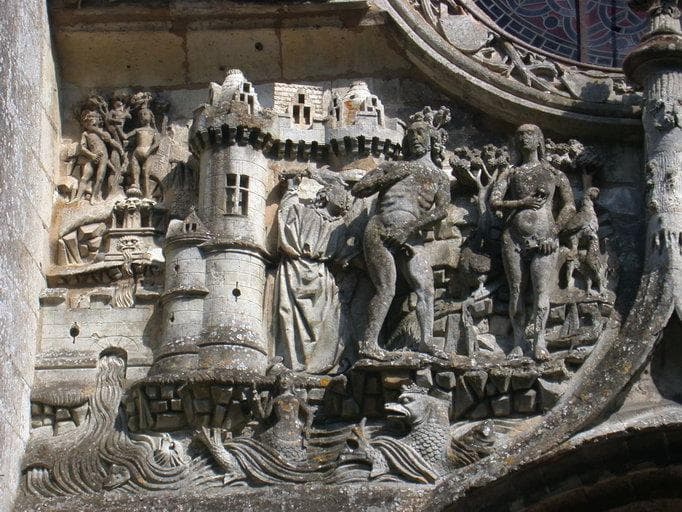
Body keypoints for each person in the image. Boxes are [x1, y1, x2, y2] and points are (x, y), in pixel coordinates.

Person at [351, 107, 451, 360]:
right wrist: (387, 176)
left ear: (432, 140)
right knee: (387, 288)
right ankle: (369, 344)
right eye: (411, 134)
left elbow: (442, 211)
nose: (415, 138)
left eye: (421, 133)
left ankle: (426, 341)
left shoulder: (439, 177)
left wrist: (409, 229)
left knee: (426, 288)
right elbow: (359, 189)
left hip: (411, 235)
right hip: (381, 230)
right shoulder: (395, 166)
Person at [490, 124, 575, 360]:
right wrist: (522, 202)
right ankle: (518, 342)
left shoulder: (553, 173)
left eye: (529, 134)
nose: (523, 138)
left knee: (541, 293)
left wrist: (554, 233)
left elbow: (569, 206)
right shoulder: (511, 173)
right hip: (513, 238)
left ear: (539, 140)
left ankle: (539, 341)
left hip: (544, 238)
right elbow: (494, 202)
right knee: (516, 291)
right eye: (519, 135)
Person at [275, 167, 357, 373]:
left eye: (347, 195)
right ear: (326, 195)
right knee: (290, 316)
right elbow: (287, 215)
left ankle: (318, 363)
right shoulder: (304, 213)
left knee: (322, 321)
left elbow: (346, 255)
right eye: (340, 192)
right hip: (295, 270)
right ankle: (294, 363)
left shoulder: (341, 226)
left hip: (321, 276)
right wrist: (292, 188)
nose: (345, 197)